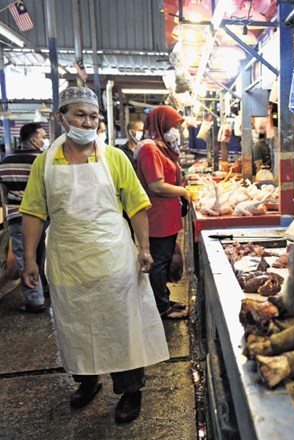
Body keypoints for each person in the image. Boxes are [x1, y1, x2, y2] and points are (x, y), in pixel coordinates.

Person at [19, 87, 169, 424]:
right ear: (61, 118)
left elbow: (137, 206)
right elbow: (32, 213)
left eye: (93, 116)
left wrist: (144, 247)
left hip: (111, 255)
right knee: (75, 326)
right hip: (68, 259)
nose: (88, 122)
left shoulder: (115, 157)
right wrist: (29, 259)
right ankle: (87, 382)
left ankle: (130, 391)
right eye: (80, 115)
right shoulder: (45, 163)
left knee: (121, 325)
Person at [135, 105, 190, 320]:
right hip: (156, 216)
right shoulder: (150, 149)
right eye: (174, 125)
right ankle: (161, 308)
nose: (176, 130)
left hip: (167, 215)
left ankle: (164, 300)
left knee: (164, 260)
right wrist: (183, 191)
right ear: (161, 124)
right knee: (158, 263)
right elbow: (156, 186)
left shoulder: (161, 147)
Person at [0, 122, 49, 313]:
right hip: (42, 216)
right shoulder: (43, 160)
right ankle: (40, 294)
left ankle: (34, 299)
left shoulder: (5, 162)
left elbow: (3, 193)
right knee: (39, 255)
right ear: (33, 139)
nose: (44, 140)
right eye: (42, 136)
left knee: (24, 258)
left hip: (17, 216)